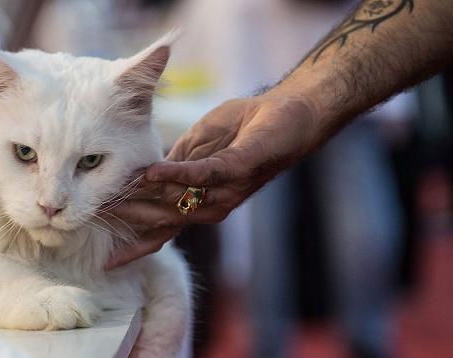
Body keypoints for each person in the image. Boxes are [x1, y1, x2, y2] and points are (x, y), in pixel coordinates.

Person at [106, 0, 453, 269]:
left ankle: (276, 352)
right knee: (260, 199)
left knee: (281, 205)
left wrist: (300, 100)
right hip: (288, 76)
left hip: (285, 72)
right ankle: (352, 346)